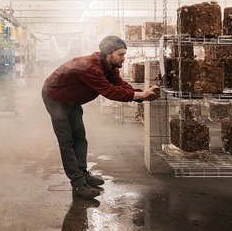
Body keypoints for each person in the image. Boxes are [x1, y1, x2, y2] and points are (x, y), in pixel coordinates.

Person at [42, 36, 160, 199]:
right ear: (108, 54)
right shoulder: (90, 67)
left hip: (71, 99)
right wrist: (140, 95)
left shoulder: (110, 66)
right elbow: (109, 91)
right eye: (121, 54)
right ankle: (77, 183)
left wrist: (141, 95)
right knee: (67, 141)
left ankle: (83, 173)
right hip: (55, 98)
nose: (123, 58)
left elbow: (120, 85)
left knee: (80, 138)